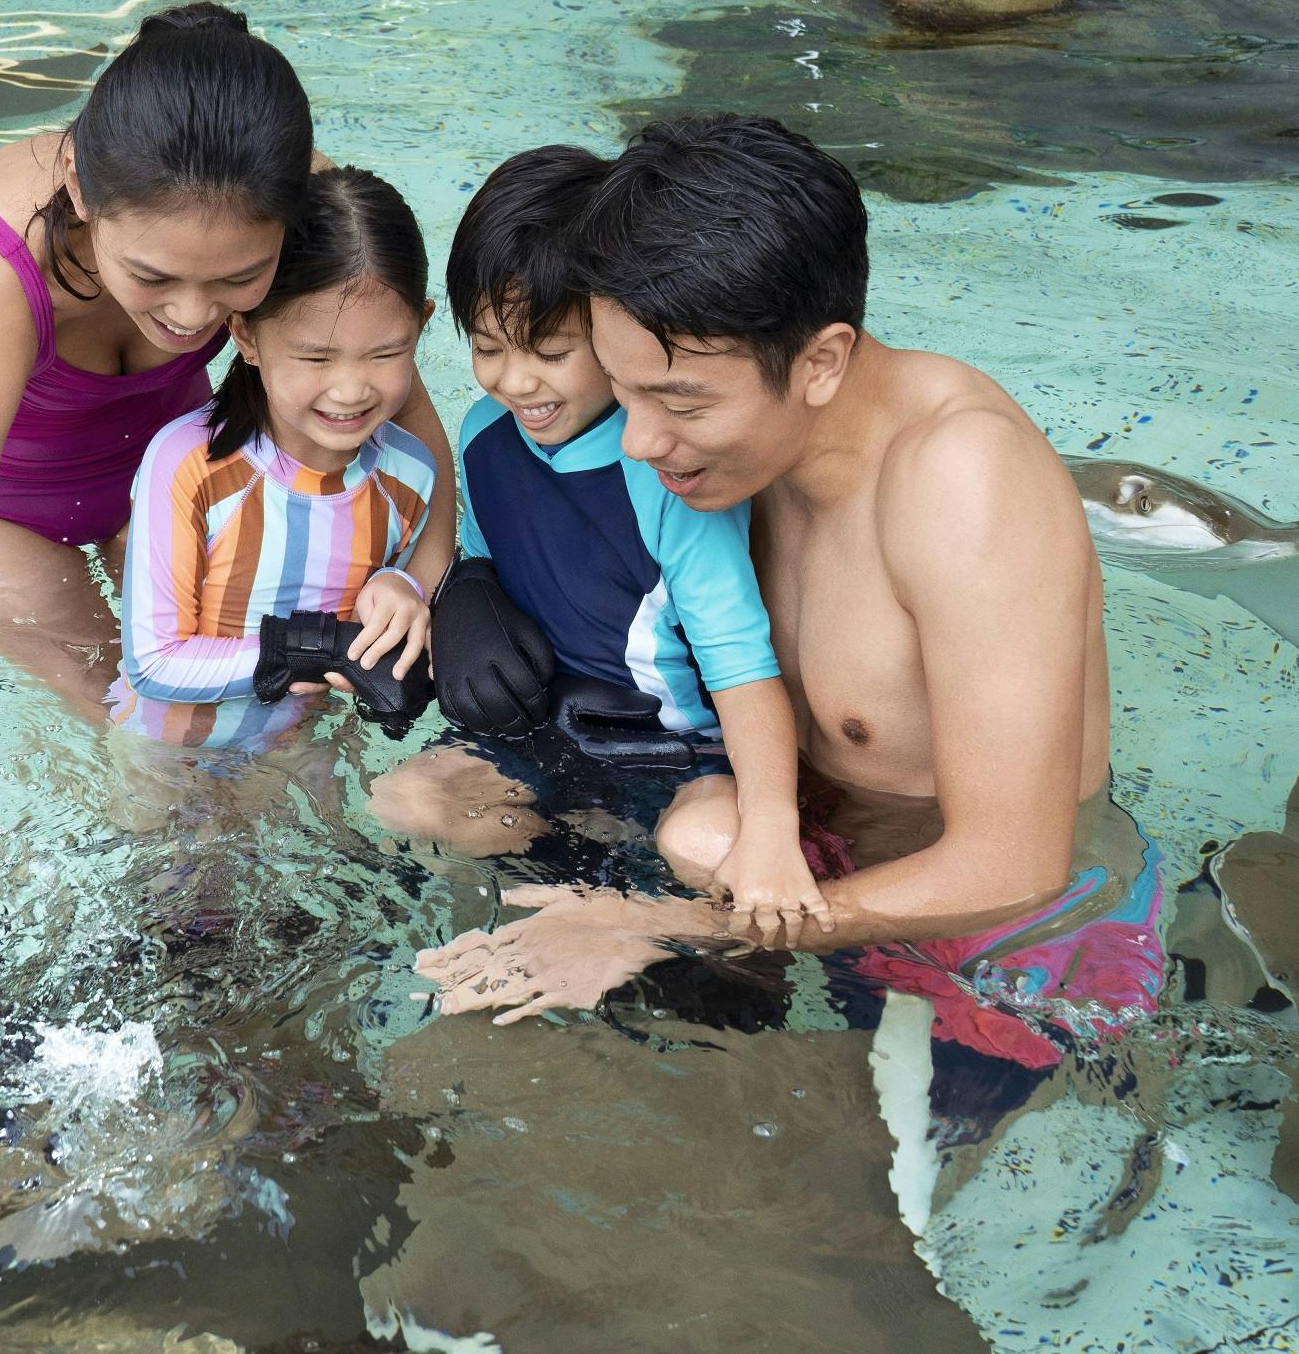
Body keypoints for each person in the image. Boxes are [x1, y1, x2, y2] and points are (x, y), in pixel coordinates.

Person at [414, 115, 1159, 1056]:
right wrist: (462, 586)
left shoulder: (964, 487)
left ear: (821, 361)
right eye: (625, 388)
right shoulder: (728, 459)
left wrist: (646, 925)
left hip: (992, 950)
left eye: (679, 402)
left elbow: (1016, 866)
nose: (638, 444)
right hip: (760, 868)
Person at [0, 3, 454, 894]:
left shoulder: (296, 199)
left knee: (249, 701)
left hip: (171, 444)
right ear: (76, 187)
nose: (191, 317)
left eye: (236, 282)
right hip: (4, 497)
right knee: (126, 702)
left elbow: (412, 434)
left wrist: (414, 581)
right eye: (150, 276)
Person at [371, 145, 829, 945]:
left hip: (679, 750)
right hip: (547, 726)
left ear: (614, 336)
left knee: (708, 845)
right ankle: (555, 888)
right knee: (406, 800)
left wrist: (773, 828)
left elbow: (741, 661)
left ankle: (659, 945)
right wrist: (456, 595)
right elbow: (474, 547)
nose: (515, 383)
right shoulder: (484, 436)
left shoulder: (667, 468)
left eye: (550, 353)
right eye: (487, 347)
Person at [113, 164, 438, 730]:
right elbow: (153, 663)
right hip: (166, 759)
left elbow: (403, 605)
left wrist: (401, 587)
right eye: (316, 357)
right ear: (246, 336)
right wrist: (315, 647)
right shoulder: (190, 463)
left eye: (385, 354)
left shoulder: (410, 475)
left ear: (422, 326)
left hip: (307, 754)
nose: (351, 389)